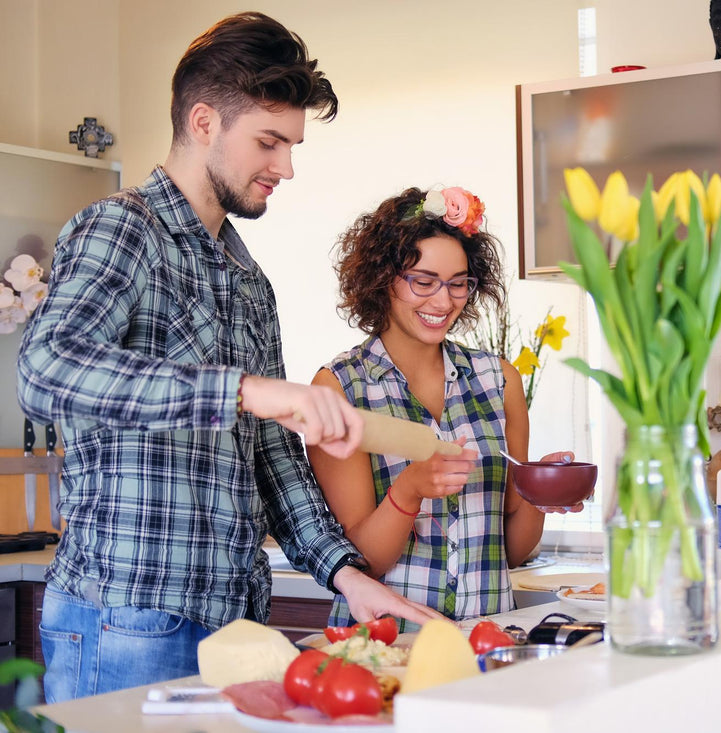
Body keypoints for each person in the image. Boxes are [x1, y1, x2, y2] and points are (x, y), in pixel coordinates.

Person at [17, 12, 442, 703]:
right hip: (129, 621)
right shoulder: (123, 228)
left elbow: (273, 454)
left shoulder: (248, 280)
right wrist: (242, 389)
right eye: (269, 142)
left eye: (292, 145)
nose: (286, 167)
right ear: (206, 122)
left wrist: (346, 574)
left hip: (237, 626)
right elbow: (44, 369)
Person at [307, 186, 580, 628]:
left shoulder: (499, 380)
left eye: (458, 284)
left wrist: (538, 493)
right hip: (387, 643)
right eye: (423, 281)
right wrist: (410, 488)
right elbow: (362, 564)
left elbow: (511, 550)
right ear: (382, 280)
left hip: (484, 640)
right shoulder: (340, 389)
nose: (443, 301)